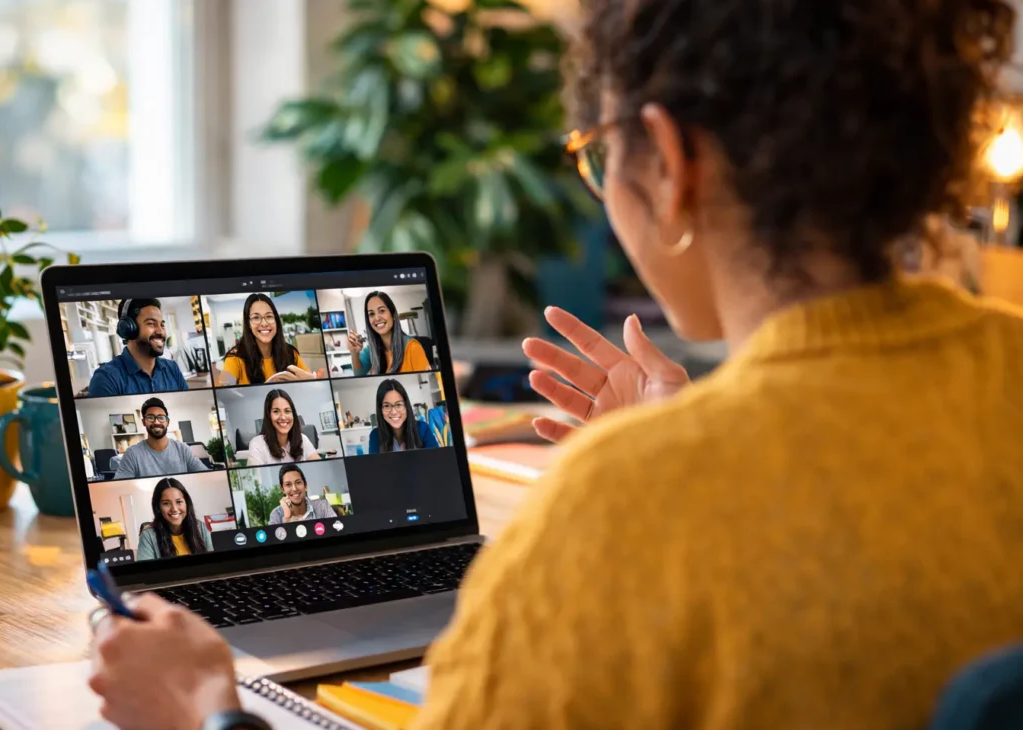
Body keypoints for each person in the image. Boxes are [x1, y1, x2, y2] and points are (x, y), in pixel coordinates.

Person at [90, 2, 1023, 729]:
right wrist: (679, 447)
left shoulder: (613, 508)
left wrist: (202, 710)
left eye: (596, 157)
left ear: (670, 162)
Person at [87, 299, 189, 397]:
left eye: (162, 325)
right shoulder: (106, 378)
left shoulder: (172, 368)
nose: (160, 331)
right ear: (129, 329)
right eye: (151, 324)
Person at [216, 293, 315, 386]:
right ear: (248, 324)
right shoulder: (234, 358)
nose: (264, 323)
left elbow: (310, 382)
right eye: (256, 318)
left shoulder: (291, 353)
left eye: (269, 316)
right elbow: (222, 391)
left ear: (276, 321)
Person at [114, 398, 209, 480]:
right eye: (150, 417)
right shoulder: (132, 454)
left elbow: (206, 476)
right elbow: (119, 486)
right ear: (143, 422)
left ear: (168, 422)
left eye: (161, 417)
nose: (156, 422)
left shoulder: (183, 449)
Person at [346, 291, 430, 376]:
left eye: (382, 311)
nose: (377, 318)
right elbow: (359, 375)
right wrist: (354, 353)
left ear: (393, 314)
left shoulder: (412, 348)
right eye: (371, 314)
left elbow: (427, 379)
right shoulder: (370, 351)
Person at [136, 478, 214, 561]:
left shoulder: (200, 527)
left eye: (179, 502)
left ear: (186, 503)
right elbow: (146, 569)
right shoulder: (148, 536)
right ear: (158, 507)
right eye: (166, 503)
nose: (174, 509)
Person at [244, 389, 322, 465]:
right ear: (269, 416)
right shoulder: (257, 444)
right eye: (276, 411)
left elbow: (319, 466)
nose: (283, 417)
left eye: (287, 411)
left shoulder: (302, 439)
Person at [366, 378, 440, 453]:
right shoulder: (375, 435)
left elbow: (437, 458)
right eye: (387, 406)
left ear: (406, 406)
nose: (394, 412)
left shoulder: (423, 428)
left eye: (398, 404)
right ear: (380, 409)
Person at [266, 464, 336, 524]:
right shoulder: (276, 514)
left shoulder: (322, 506)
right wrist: (287, 519)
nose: (294, 489)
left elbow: (337, 529)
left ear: (305, 485)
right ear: (283, 489)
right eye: (288, 484)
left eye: (298, 482)